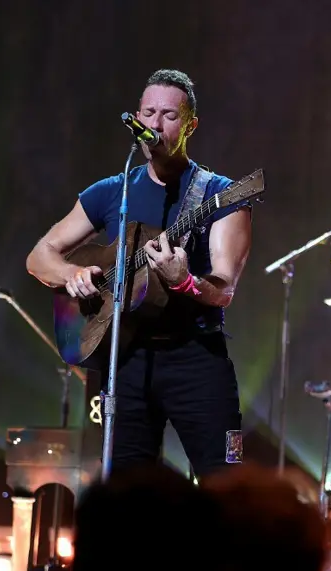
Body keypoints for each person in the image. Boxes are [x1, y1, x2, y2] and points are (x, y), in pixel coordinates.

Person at [26, 69, 251, 478]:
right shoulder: (114, 190)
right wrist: (73, 274)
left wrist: (185, 282)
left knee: (227, 478)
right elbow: (39, 256)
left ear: (190, 126)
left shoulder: (220, 193)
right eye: (148, 113)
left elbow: (224, 288)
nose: (155, 124)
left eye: (169, 115)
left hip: (196, 358)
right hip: (125, 357)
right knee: (124, 491)